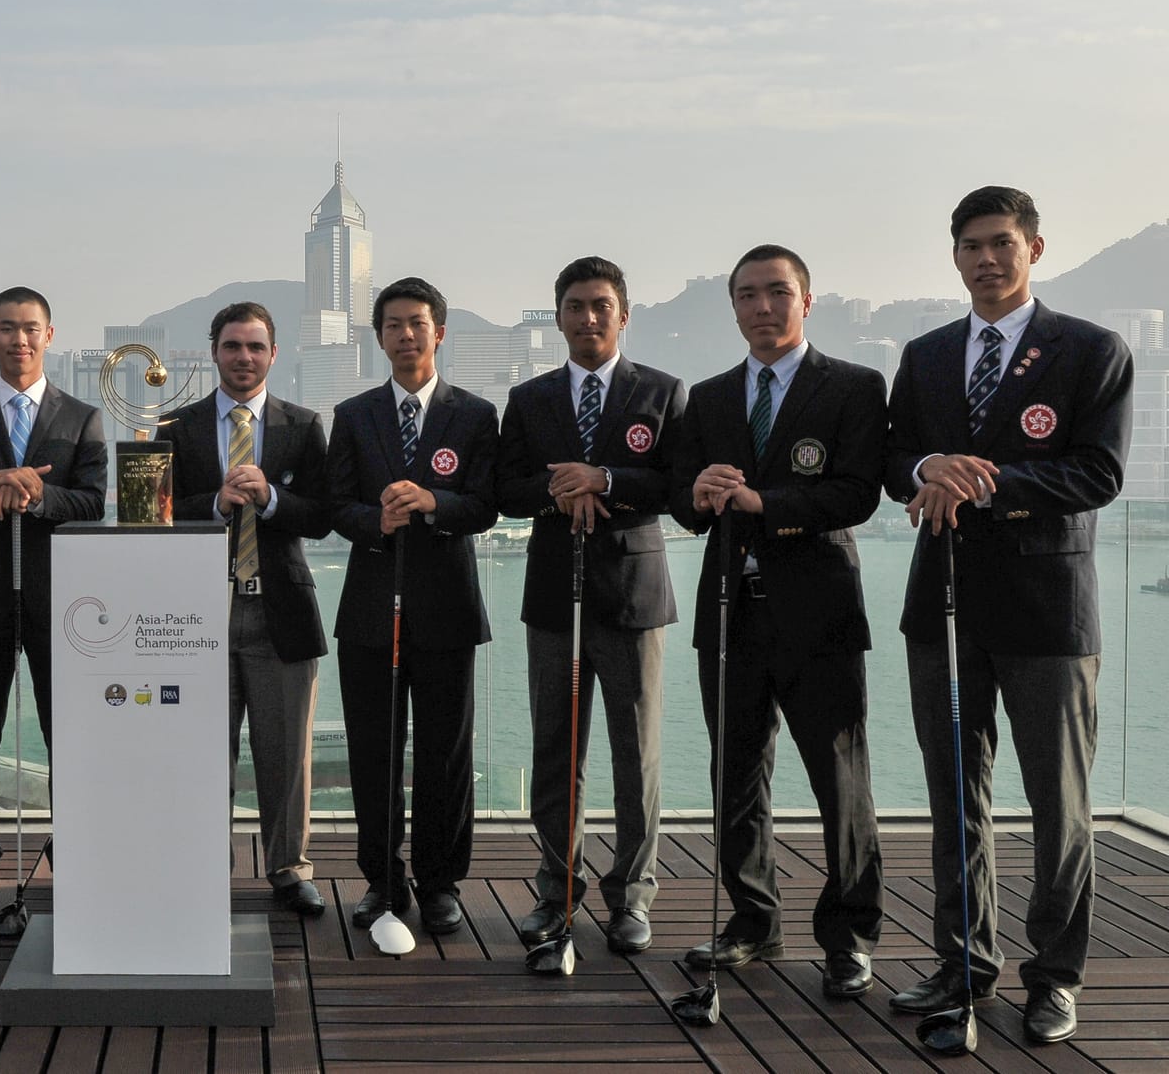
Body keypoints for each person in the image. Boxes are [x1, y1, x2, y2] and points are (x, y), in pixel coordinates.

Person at [884, 187, 1132, 1045]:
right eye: (969, 246)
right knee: (956, 795)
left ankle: (1056, 976)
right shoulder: (923, 354)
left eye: (1001, 243)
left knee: (1058, 803)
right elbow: (893, 458)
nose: (985, 259)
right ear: (953, 256)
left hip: (1047, 611)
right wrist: (926, 464)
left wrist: (981, 477)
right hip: (944, 603)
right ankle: (963, 961)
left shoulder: (1092, 350)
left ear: (1034, 247)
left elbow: (1097, 473)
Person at [669, 244, 885, 1001]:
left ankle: (851, 937)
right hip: (728, 614)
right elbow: (683, 506)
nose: (763, 307)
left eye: (778, 292)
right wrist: (697, 493)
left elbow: (860, 493)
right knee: (736, 776)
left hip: (819, 612)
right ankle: (753, 920)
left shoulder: (854, 387)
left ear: (807, 299)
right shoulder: (710, 396)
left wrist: (769, 504)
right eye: (748, 295)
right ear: (732, 306)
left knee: (841, 780)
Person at [495, 257, 684, 955]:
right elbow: (505, 489)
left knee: (638, 757)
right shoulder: (530, 398)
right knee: (555, 752)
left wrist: (603, 477)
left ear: (623, 314)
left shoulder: (662, 392)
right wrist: (557, 489)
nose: (588, 318)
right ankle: (556, 889)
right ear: (559, 315)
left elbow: (677, 487)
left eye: (601, 305)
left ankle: (632, 897)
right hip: (552, 596)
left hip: (633, 598)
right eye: (574, 306)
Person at [327, 277, 498, 936]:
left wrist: (433, 503)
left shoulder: (476, 415)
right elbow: (339, 507)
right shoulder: (354, 414)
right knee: (374, 752)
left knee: (444, 755)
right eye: (392, 325)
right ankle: (382, 878)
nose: (405, 335)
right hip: (371, 612)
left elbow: (485, 503)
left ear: (439, 332)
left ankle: (441, 882)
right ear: (379, 337)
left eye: (416, 324)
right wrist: (381, 520)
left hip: (448, 609)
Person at [0, 286, 106, 910]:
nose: (20, 341)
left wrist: (35, 492)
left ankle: (78, 854)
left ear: (50, 336)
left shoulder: (81, 416)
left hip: (61, 601)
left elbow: (90, 501)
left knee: (71, 733)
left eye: (31, 329)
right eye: (7, 329)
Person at [160, 302, 333, 917]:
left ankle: (289, 867)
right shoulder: (174, 429)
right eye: (233, 346)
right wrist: (215, 502)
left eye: (256, 347)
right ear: (214, 351)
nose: (244, 358)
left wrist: (274, 499)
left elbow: (324, 516)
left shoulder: (304, 426)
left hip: (278, 610)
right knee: (203, 750)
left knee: (286, 751)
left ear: (273, 355)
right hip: (197, 615)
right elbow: (155, 512)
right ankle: (204, 862)